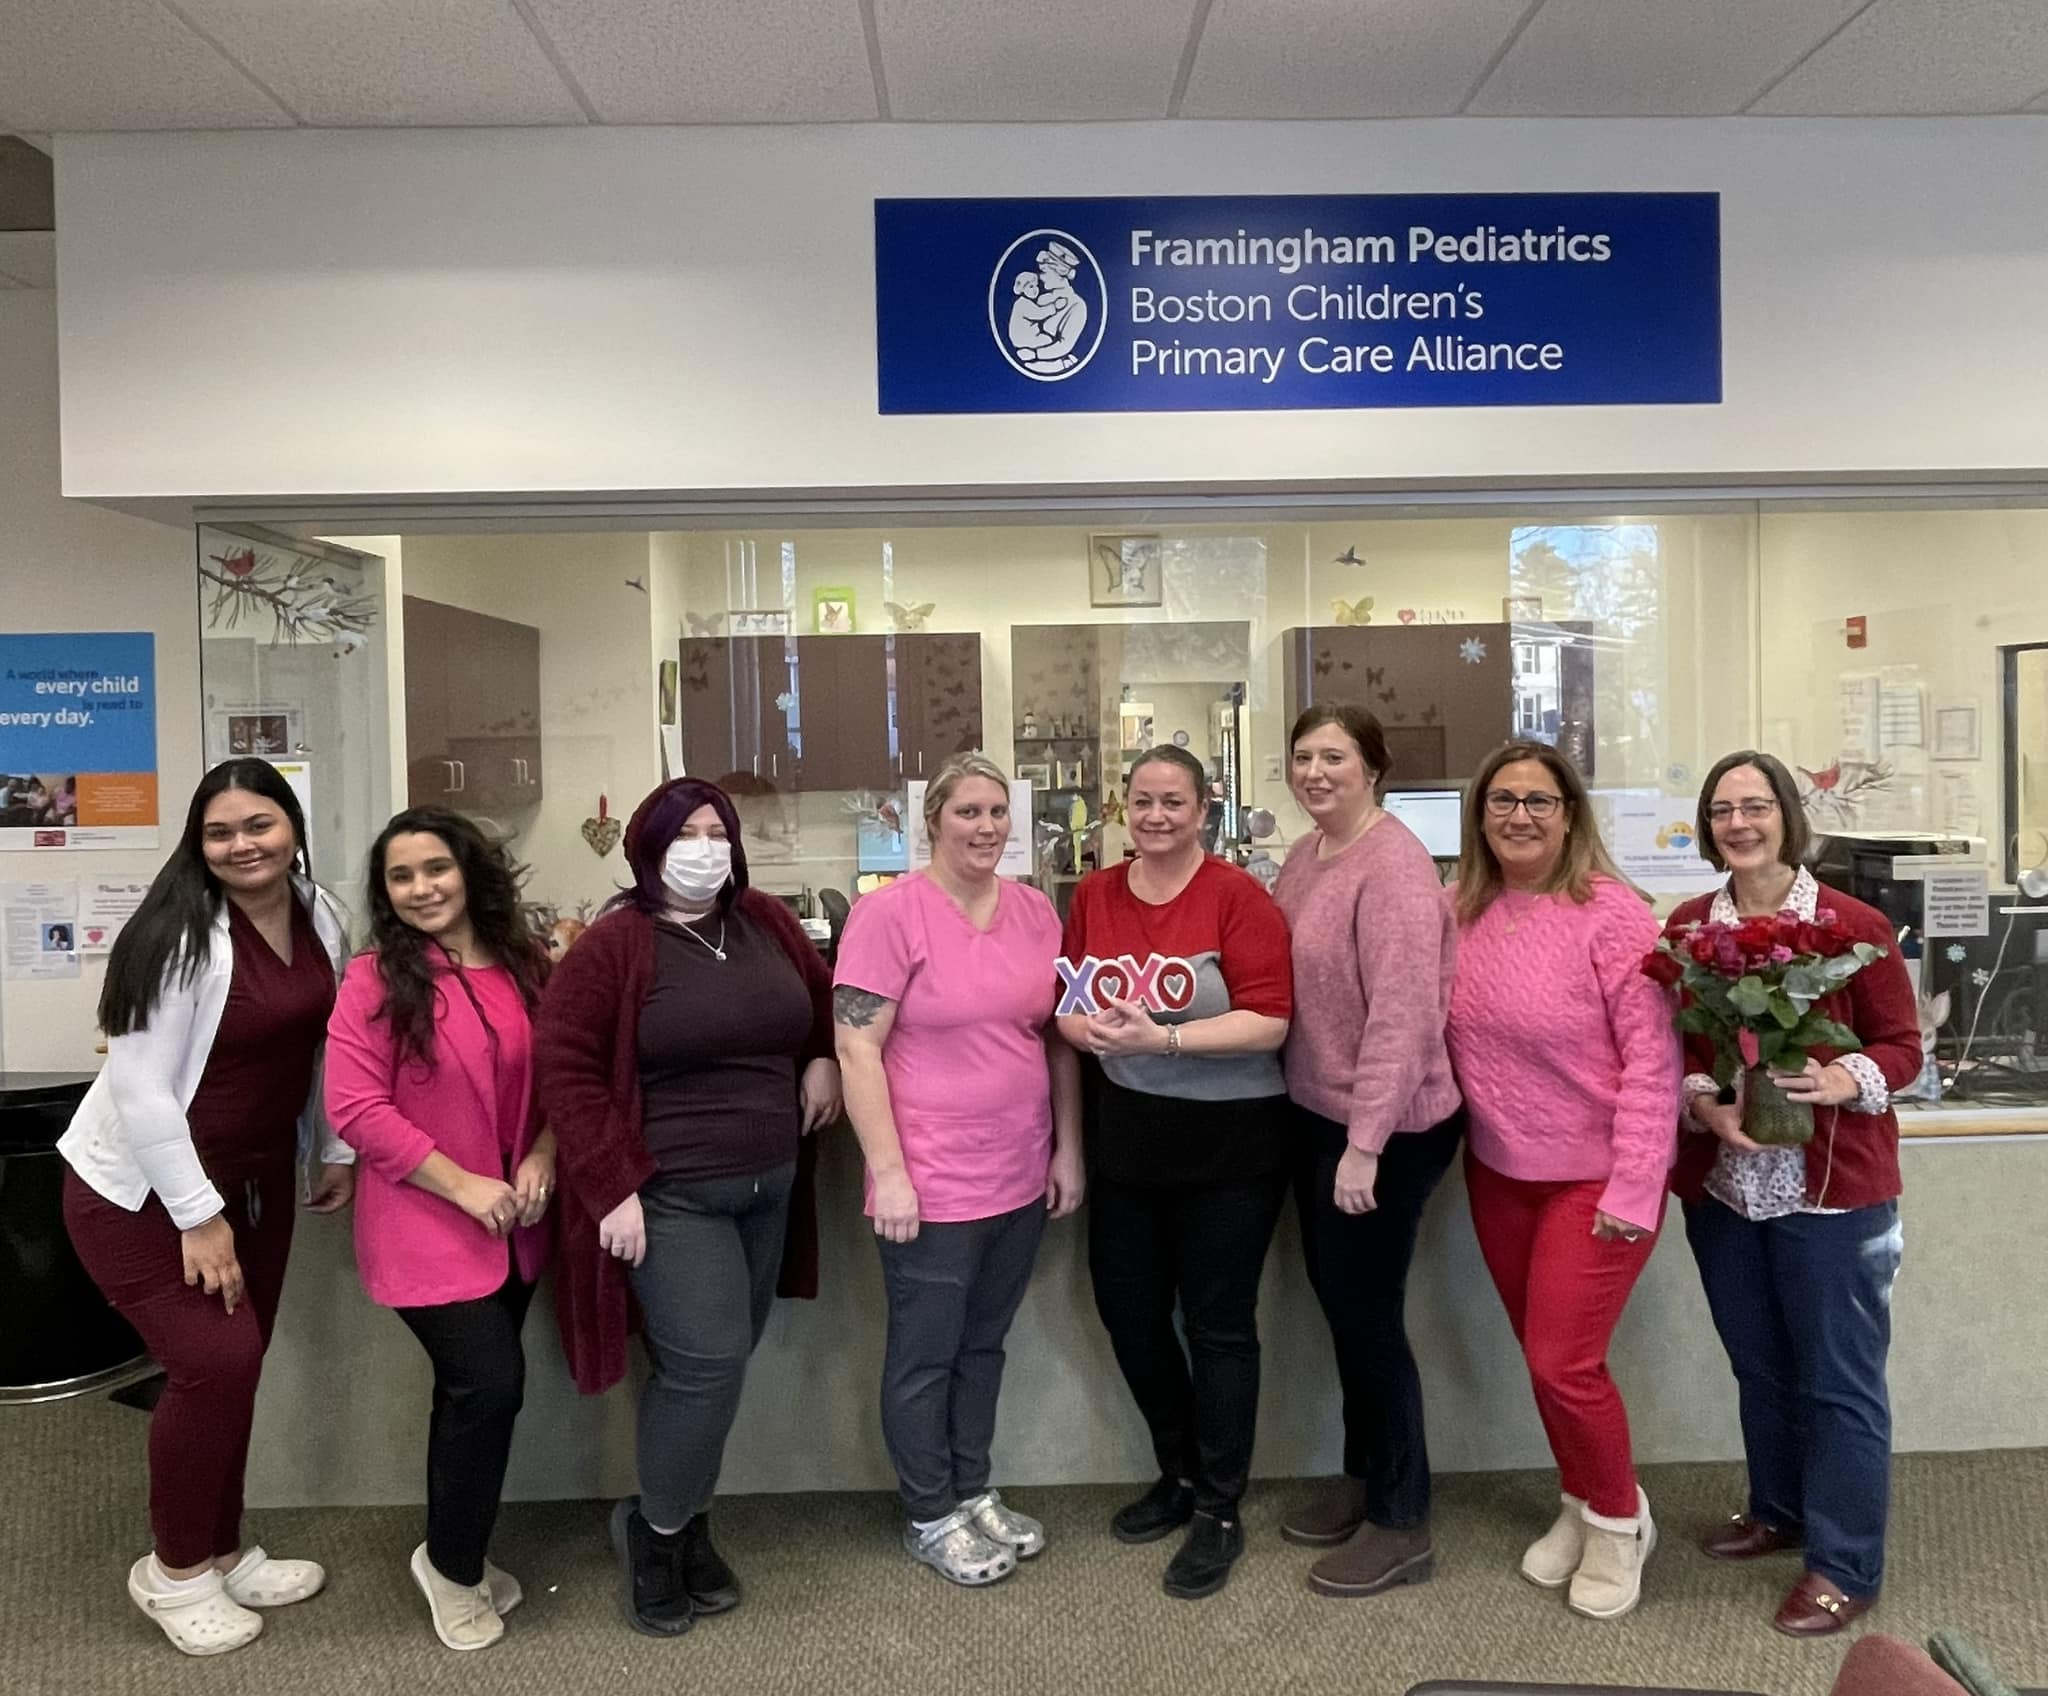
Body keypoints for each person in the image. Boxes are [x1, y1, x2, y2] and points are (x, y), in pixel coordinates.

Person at [57, 759, 354, 1657]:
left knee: (240, 1366)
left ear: (293, 826)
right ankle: (176, 1572)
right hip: (142, 1193)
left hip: (256, 1179)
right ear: (198, 843)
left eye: (259, 824)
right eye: (219, 832)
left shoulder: (321, 913)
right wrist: (197, 1215)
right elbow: (142, 1090)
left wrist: (332, 1147)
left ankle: (224, 1550)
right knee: (215, 1362)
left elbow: (322, 1045)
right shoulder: (175, 935)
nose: (240, 845)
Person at [534, 777, 840, 1638]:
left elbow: (824, 999)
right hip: (670, 1195)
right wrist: (611, 1185)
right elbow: (564, 1066)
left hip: (769, 1184)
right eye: (684, 834)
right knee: (705, 1367)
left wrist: (823, 1057)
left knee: (722, 1367)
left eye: (717, 833)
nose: (704, 849)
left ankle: (689, 1524)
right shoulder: (616, 945)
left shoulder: (765, 922)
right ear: (647, 846)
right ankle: (658, 1534)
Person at [1669, 751, 1921, 1637]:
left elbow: (1904, 1047)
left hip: (1832, 1192)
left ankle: (1844, 1566)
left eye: (1755, 806)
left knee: (1839, 1383)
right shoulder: (1690, 927)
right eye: (1722, 810)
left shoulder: (1854, 926)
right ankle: (1778, 1510)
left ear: (1787, 815)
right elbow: (1682, 1054)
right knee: (1760, 1364)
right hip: (1727, 1188)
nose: (1738, 824)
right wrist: (1702, 1100)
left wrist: (1846, 1078)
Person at [833, 753, 1082, 1588]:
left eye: (997, 812)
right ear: (932, 820)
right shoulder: (889, 915)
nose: (986, 827)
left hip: (1018, 1171)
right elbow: (855, 1048)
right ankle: (930, 1512)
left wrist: (1068, 1148)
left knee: (983, 1348)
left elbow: (1055, 1039)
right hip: (931, 1183)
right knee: (925, 1356)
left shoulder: (1036, 912)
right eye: (968, 811)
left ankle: (972, 1489)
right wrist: (889, 1174)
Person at [1444, 740, 1679, 1622]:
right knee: (1543, 1364)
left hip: (1598, 1180)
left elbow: (1655, 1063)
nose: (1519, 816)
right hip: (1500, 1174)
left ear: (1571, 814)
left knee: (1564, 1363)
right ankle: (1579, 1501)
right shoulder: (1460, 909)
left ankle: (1620, 1520)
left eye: (1539, 801)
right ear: (1479, 816)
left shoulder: (1613, 916)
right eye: (1501, 800)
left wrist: (1634, 1187)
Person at [1057, 744, 1293, 1602]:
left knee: (1219, 1325)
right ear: (1123, 806)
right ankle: (1180, 1470)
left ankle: (1220, 1507)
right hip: (1128, 1136)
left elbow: (1270, 1020)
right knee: (1130, 1314)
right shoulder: (1094, 895)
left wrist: (1162, 1038)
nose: (1156, 816)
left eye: (1174, 802)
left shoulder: (1238, 897)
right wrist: (1090, 1032)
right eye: (1143, 800)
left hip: (1230, 1143)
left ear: (1203, 811)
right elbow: (1067, 1008)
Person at [322, 807, 555, 1652]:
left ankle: (459, 1549)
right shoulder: (374, 979)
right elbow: (354, 1107)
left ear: (470, 872)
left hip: (516, 1222)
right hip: (425, 1222)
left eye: (436, 869)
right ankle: (452, 1569)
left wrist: (545, 1153)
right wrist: (462, 1184)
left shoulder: (525, 964)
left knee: (470, 1399)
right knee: (489, 1386)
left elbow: (564, 1074)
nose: (421, 889)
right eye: (401, 876)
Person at [1271, 705, 1463, 1598]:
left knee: (1369, 1318)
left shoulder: (1394, 866)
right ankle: (1362, 1474)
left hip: (1389, 1128)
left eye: (1335, 757)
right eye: (1303, 756)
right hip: (1320, 1112)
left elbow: (1405, 1016)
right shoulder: (1307, 854)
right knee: (1343, 1309)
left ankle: (1402, 1517)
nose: (1315, 772)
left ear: (1374, 768)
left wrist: (1365, 1144)